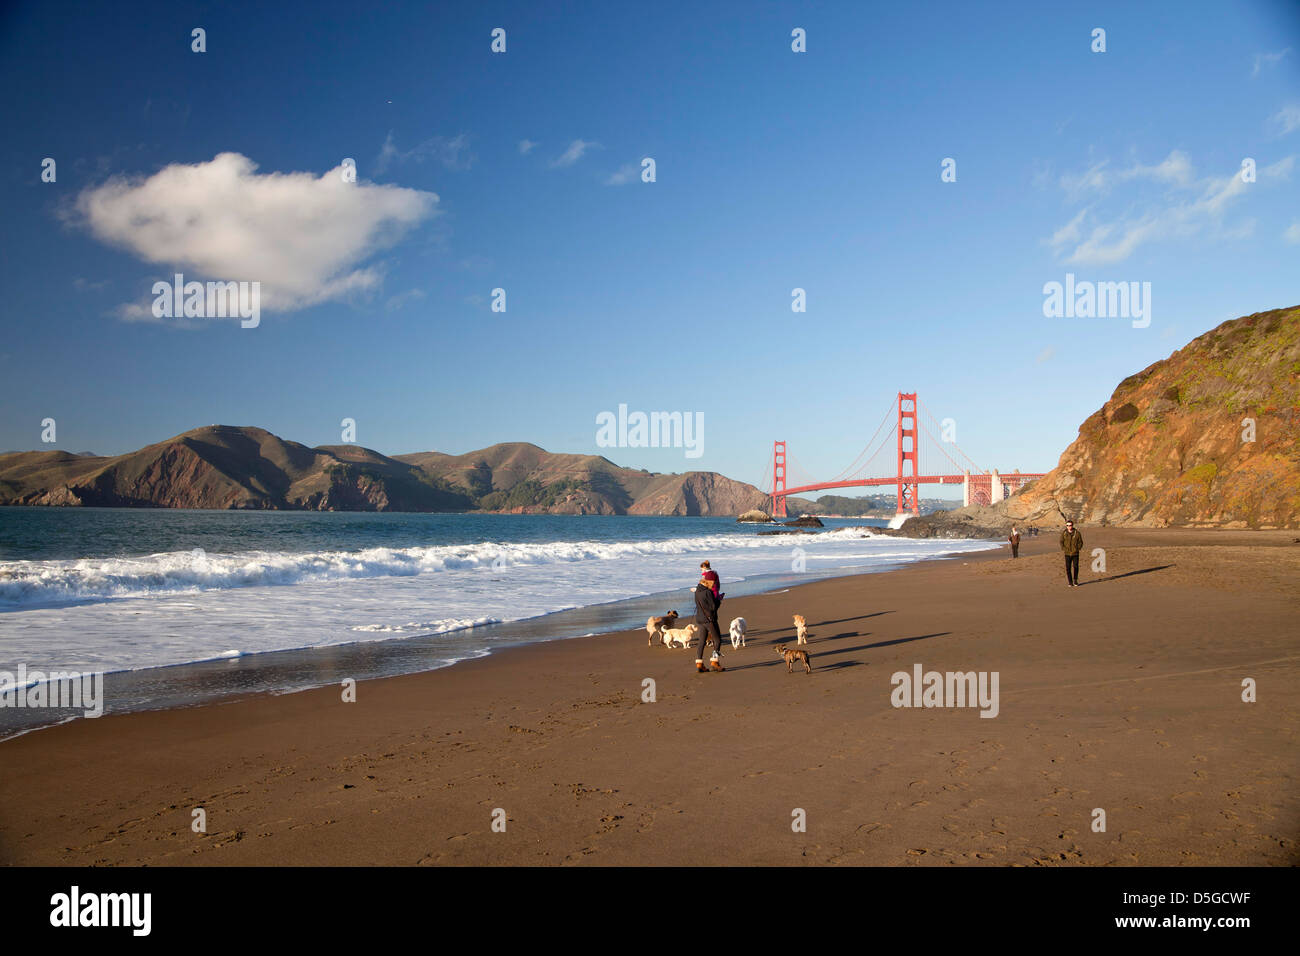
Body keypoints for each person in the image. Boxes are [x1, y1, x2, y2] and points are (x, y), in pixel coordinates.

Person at [692, 576, 725, 673]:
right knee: (717, 640)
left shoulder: (697, 591)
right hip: (709, 619)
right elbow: (713, 607)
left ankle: (699, 663)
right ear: (708, 582)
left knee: (702, 641)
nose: (713, 584)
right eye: (713, 582)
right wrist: (719, 600)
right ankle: (714, 662)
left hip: (700, 619)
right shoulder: (708, 592)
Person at [1060, 519, 1083, 587]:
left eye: (1070, 525)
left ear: (1072, 525)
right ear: (1066, 526)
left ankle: (1075, 580)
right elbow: (1061, 542)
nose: (1069, 527)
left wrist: (1077, 548)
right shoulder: (1064, 533)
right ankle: (1070, 582)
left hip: (1075, 553)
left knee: (1076, 567)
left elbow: (1080, 542)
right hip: (1067, 553)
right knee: (1068, 568)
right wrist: (1064, 548)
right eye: (1067, 525)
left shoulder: (1077, 533)